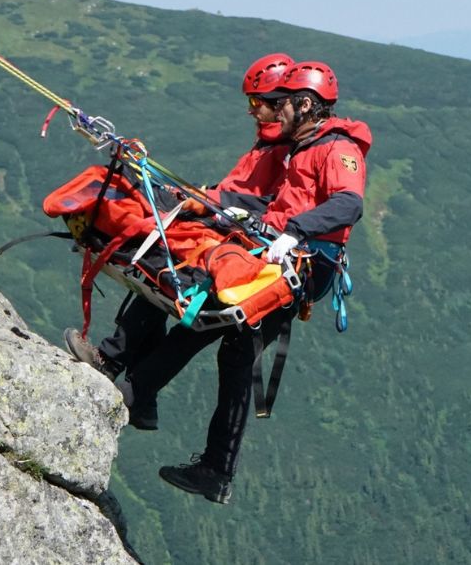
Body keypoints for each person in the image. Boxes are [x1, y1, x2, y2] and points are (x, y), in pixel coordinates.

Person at [130, 61, 372, 503]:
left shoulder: (337, 148)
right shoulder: (301, 147)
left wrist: (296, 230)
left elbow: (349, 204)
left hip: (303, 262)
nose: (275, 115)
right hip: (284, 255)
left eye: (285, 106)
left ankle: (136, 391)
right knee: (237, 353)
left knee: (206, 320)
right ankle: (212, 467)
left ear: (305, 104)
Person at [63, 53, 296, 428]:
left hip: (238, 243)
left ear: (280, 102)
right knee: (158, 276)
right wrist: (199, 195)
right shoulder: (269, 145)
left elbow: (266, 204)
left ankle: (116, 365)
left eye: (257, 103)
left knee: (162, 270)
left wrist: (209, 203)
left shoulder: (286, 153)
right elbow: (238, 191)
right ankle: (135, 387)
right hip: (226, 229)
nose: (251, 111)